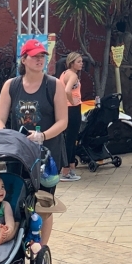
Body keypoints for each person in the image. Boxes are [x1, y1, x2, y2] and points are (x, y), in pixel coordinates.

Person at [0, 38, 68, 248]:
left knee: (44, 204)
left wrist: (43, 135)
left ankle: (40, 251)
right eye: (34, 56)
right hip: (18, 154)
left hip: (48, 156)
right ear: (23, 59)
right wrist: (4, 136)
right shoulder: (12, 85)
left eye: (42, 56)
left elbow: (63, 121)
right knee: (16, 198)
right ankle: (16, 244)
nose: (39, 60)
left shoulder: (54, 85)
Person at [58, 52, 84, 181]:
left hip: (66, 108)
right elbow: (67, 90)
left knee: (70, 138)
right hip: (72, 108)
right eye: (79, 62)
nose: (81, 64)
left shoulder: (64, 74)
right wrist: (72, 101)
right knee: (71, 138)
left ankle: (71, 167)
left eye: (81, 61)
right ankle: (66, 170)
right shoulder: (72, 75)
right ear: (72, 62)